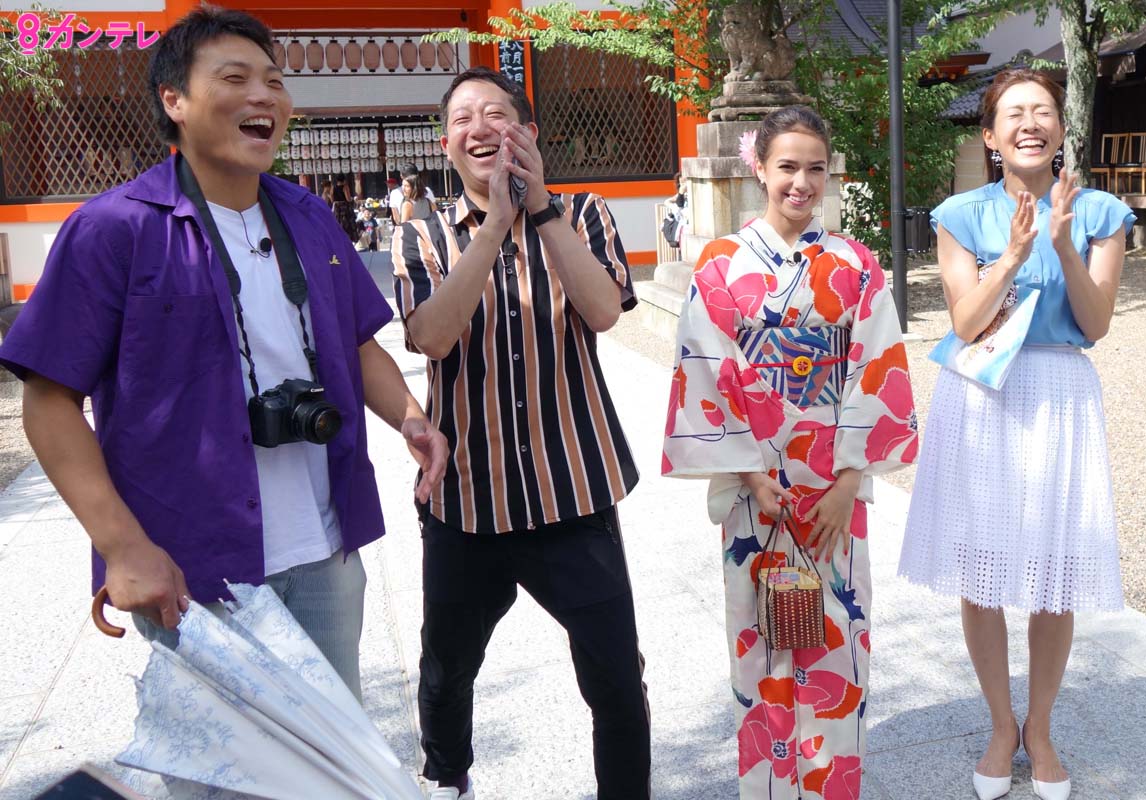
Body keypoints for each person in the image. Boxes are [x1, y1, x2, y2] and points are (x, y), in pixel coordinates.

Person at [0, 6, 448, 702]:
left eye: (274, 81)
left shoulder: (309, 216)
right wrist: (122, 546)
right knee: (218, 757)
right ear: (173, 100)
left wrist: (411, 417)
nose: (263, 96)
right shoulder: (114, 229)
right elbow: (49, 400)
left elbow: (358, 343)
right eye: (235, 79)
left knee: (329, 751)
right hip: (193, 566)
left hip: (326, 550)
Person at [393, 66, 650, 800]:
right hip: (467, 501)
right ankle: (449, 777)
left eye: (497, 114)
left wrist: (537, 209)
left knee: (615, 678)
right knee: (447, 667)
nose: (480, 128)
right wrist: (492, 229)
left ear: (528, 133)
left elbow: (603, 311)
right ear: (446, 144)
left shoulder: (584, 213)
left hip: (573, 493)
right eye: (463, 118)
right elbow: (431, 336)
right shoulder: (421, 235)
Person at [662, 105, 918, 799]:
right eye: (787, 167)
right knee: (760, 644)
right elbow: (706, 367)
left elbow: (877, 367)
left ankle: (831, 786)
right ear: (759, 169)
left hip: (834, 491)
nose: (801, 182)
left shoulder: (854, 264)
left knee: (838, 641)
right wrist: (750, 474)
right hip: (755, 490)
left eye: (815, 168)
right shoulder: (721, 264)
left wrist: (848, 482)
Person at [897, 69, 1133, 800]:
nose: (1031, 123)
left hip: (1059, 390)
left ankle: (1042, 727)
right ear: (991, 136)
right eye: (1015, 114)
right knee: (984, 570)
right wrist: (1012, 257)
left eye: (1044, 111)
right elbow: (966, 322)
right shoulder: (960, 213)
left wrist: (1063, 243)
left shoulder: (1100, 212)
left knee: (1054, 572)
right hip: (982, 393)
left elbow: (1095, 323)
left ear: (1060, 129)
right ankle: (1002, 725)